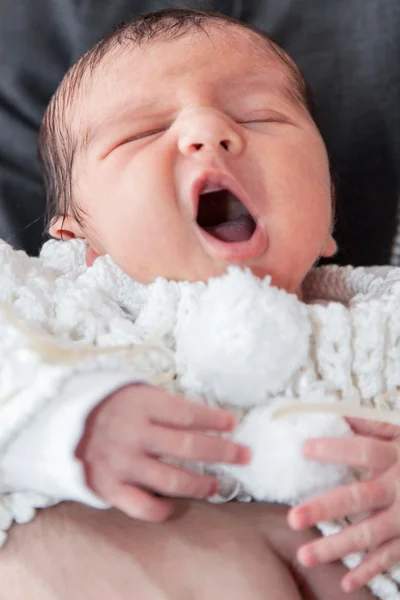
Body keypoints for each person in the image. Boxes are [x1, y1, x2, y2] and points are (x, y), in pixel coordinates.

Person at [0, 8, 395, 600]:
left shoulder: (382, 318)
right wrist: (66, 424)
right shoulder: (47, 303)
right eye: (140, 132)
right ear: (79, 236)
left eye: (260, 116)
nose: (208, 131)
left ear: (327, 224)